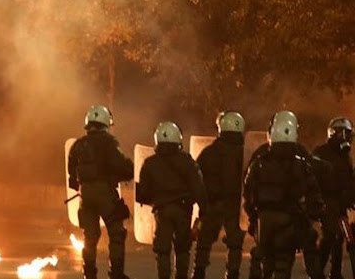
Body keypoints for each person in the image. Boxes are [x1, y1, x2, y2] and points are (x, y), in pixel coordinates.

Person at [244, 111, 324, 279]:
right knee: (287, 260)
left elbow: (248, 190)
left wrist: (253, 217)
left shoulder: (259, 160)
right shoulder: (301, 161)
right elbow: (313, 191)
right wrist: (314, 213)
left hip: (263, 219)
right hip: (290, 218)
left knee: (266, 259)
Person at [67, 105, 134, 279]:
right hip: (105, 193)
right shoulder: (109, 143)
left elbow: (71, 172)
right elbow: (122, 166)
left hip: (85, 195)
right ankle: (116, 273)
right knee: (116, 233)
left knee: (89, 236)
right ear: (106, 123)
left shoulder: (78, 145)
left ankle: (89, 273)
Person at [136, 121, 208, 279]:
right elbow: (198, 187)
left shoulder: (150, 163)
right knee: (182, 249)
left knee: (162, 251)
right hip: (183, 210)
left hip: (161, 210)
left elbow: (143, 193)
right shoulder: (187, 161)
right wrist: (203, 210)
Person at [192, 111, 246, 279]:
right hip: (236, 205)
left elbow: (196, 178)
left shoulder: (209, 152)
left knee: (204, 241)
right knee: (235, 242)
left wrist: (201, 204)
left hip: (212, 203)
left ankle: (199, 271)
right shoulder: (246, 153)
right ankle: (233, 272)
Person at [313, 117, 355, 279]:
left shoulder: (345, 157)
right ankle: (317, 272)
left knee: (341, 237)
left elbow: (349, 180)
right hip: (328, 204)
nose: (347, 138)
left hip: (341, 205)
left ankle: (335, 272)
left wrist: (350, 197)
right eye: (344, 134)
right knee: (330, 236)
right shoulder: (320, 153)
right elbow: (313, 179)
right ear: (334, 133)